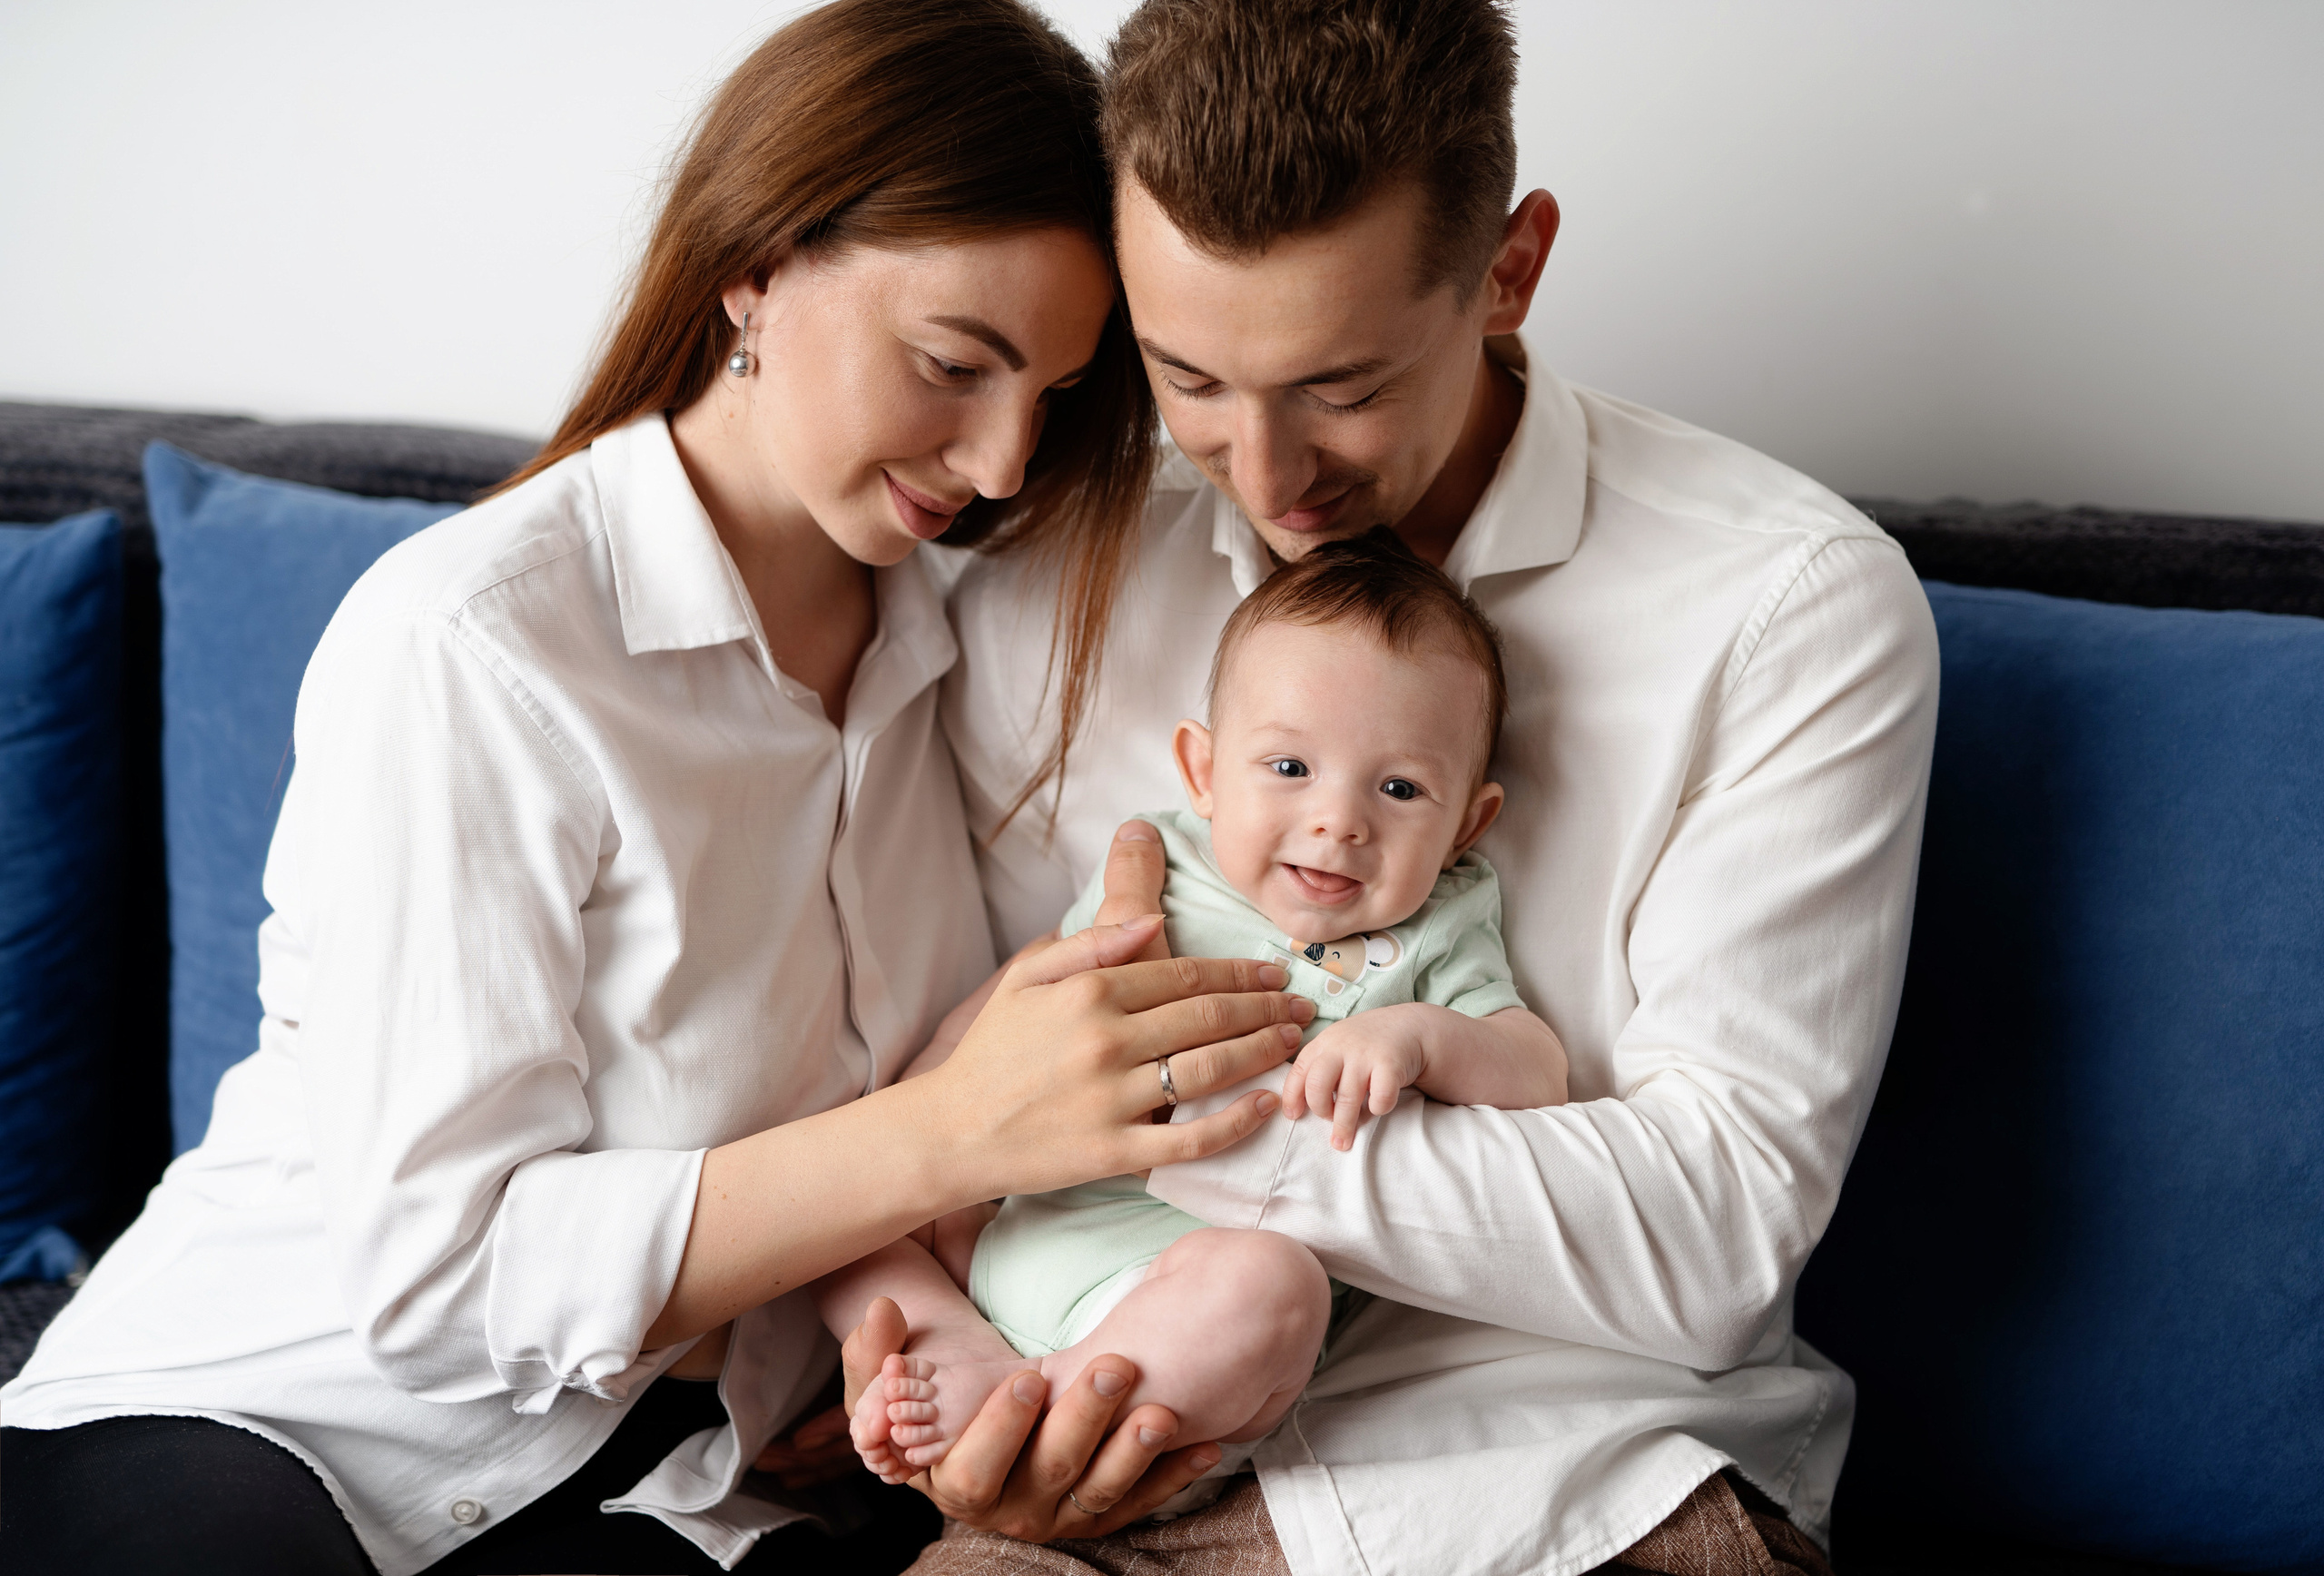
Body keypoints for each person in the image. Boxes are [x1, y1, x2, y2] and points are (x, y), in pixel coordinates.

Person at [0, 5, 1314, 1572]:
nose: (1005, 463)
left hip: (677, 1476)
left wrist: (923, 1374)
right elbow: (441, 1279)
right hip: (277, 1408)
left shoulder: (940, 651)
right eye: (953, 364)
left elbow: (816, 1167)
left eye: (1051, 392)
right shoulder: (481, 642)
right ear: (752, 267)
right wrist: (952, 1129)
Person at [892, 0, 1943, 1571]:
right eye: (1191, 378)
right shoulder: (1046, 568)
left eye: (1344, 386)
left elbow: (1710, 1229)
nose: (1263, 475)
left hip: (1588, 1478)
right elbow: (928, 1100)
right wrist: (900, 1322)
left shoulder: (1790, 611)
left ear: (1510, 271)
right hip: (1114, 1439)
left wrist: (1154, 1108)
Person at [825, 533, 1568, 1482]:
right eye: (1289, 767)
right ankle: (962, 1351)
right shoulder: (1161, 864)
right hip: (1029, 1233)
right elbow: (1021, 1000)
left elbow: (1536, 1068)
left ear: (1468, 822)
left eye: (1399, 787)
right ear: (1204, 771)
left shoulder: (1444, 919)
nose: (1338, 819)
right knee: (847, 1200)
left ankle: (1029, 1404)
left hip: (1198, 1329)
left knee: (1275, 1281)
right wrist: (935, 1125)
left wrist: (1419, 1035)